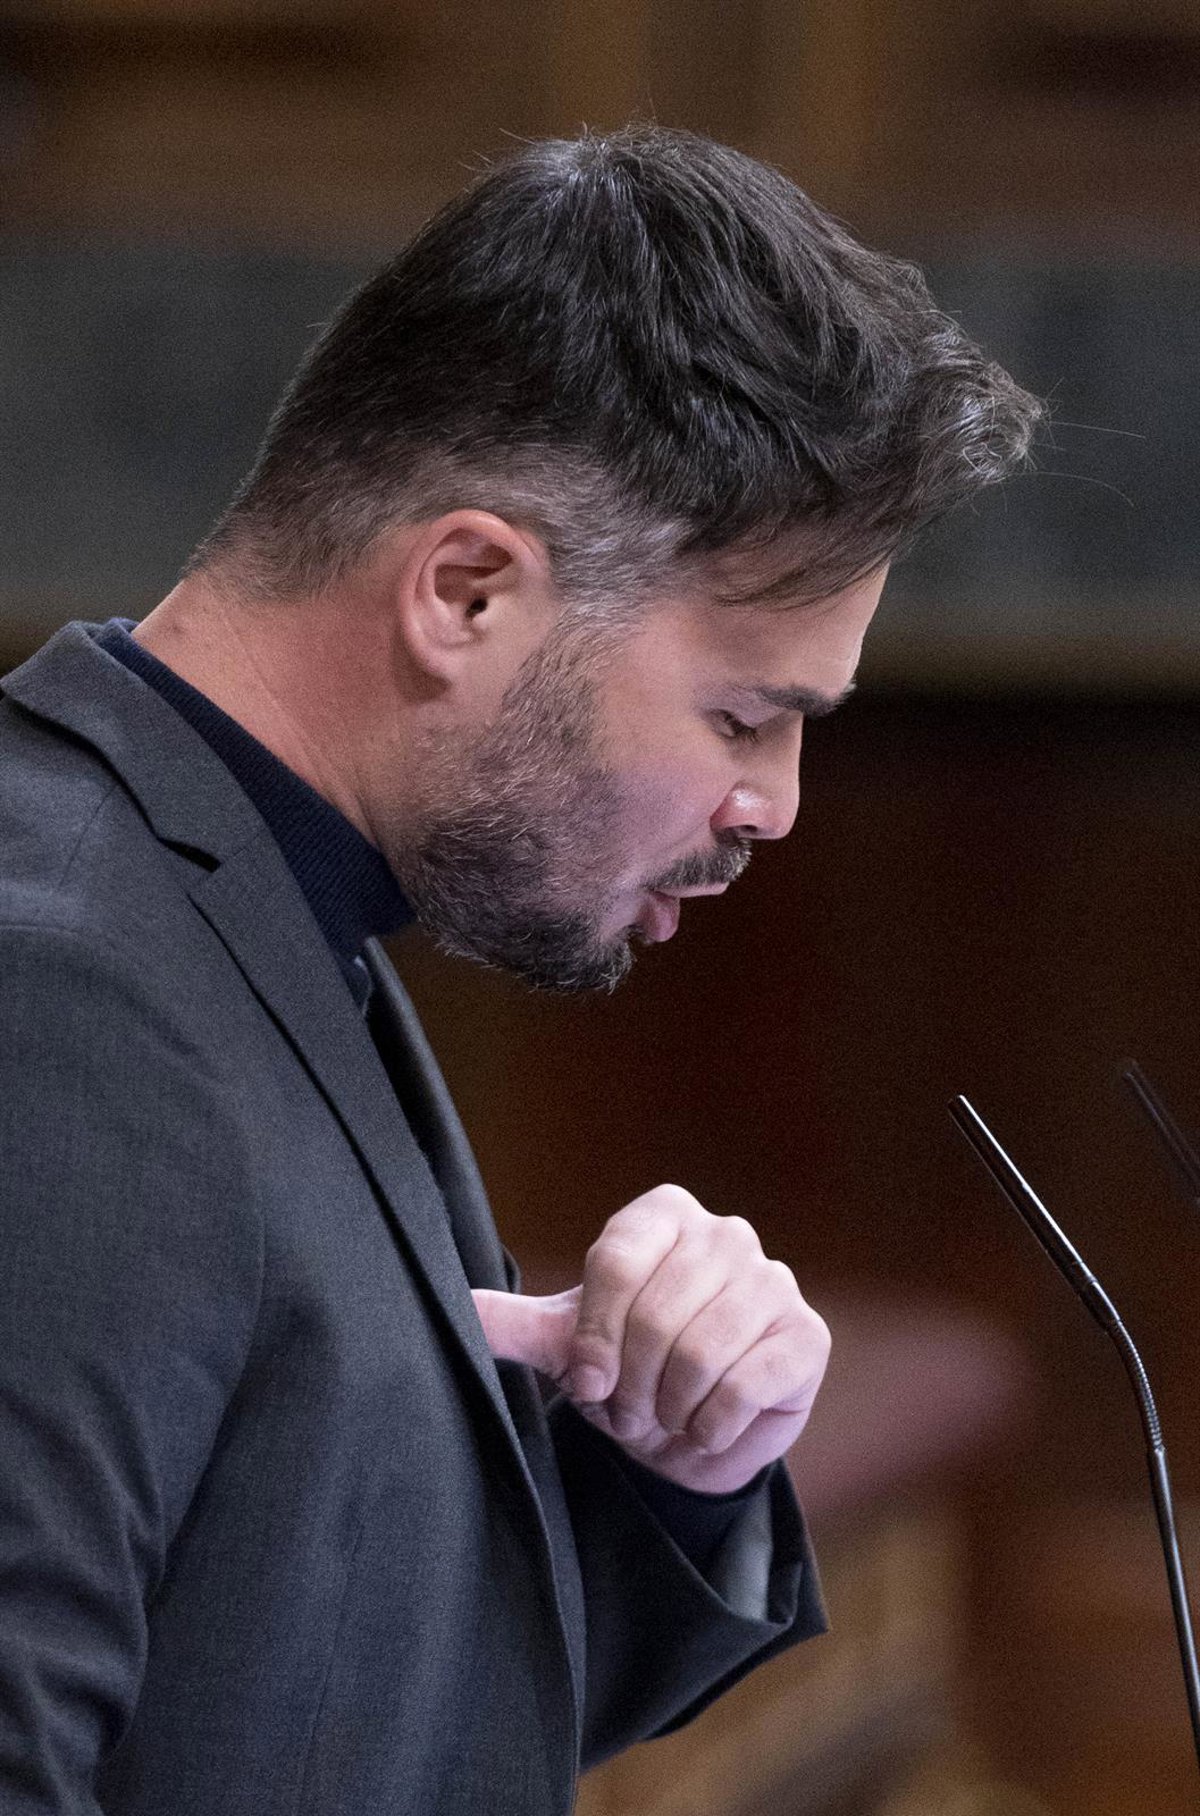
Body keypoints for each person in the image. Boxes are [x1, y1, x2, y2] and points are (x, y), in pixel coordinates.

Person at [0, 126, 1041, 1815]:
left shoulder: (250, 904)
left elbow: (324, 1705)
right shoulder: (58, 989)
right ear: (469, 592)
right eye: (744, 715)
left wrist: (675, 1465)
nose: (773, 806)